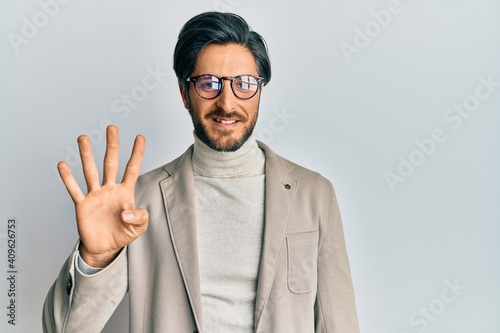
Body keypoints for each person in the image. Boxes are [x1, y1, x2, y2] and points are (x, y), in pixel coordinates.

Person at [43, 11, 359, 333]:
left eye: (244, 84)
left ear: (260, 91)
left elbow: (339, 324)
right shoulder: (138, 203)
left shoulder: (313, 194)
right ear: (184, 94)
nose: (227, 102)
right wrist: (94, 260)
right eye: (209, 84)